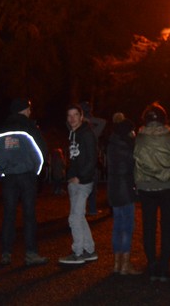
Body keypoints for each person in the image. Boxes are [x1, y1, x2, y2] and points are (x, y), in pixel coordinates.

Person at [0, 98, 48, 266]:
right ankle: (31, 253)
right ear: (25, 110)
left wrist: (3, 168)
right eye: (29, 109)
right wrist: (36, 171)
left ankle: (6, 253)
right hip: (27, 176)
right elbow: (42, 151)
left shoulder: (2, 129)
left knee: (8, 215)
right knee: (29, 215)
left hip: (9, 178)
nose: (30, 111)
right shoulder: (30, 127)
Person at [133, 102, 170, 283]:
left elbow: (135, 160)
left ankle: (152, 265)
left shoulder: (139, 137)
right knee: (167, 227)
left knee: (149, 226)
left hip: (147, 186)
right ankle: (165, 266)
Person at [58, 104, 99, 265]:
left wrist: (80, 177)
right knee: (79, 217)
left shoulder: (86, 134)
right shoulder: (73, 133)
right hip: (75, 181)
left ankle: (78, 252)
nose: (72, 118)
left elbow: (92, 159)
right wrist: (70, 175)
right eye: (69, 115)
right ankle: (89, 250)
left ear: (81, 117)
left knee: (74, 218)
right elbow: (74, 157)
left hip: (83, 182)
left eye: (75, 115)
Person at [106, 114, 141, 275]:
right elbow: (134, 167)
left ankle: (116, 264)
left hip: (114, 188)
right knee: (127, 227)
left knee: (117, 226)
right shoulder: (128, 146)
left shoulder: (112, 144)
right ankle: (125, 265)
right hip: (125, 188)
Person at [80, 101, 106, 216]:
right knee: (91, 187)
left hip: (82, 162)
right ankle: (92, 209)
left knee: (84, 187)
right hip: (89, 161)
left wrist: (83, 119)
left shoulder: (77, 129)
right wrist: (89, 119)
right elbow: (102, 122)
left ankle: (84, 209)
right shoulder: (93, 132)